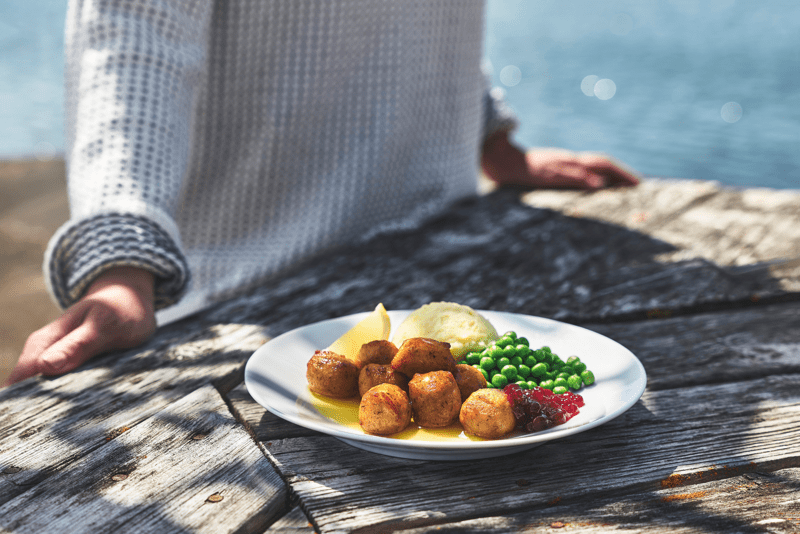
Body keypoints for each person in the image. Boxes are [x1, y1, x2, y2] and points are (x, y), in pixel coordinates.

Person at [4, 0, 638, 387]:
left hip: (447, 244)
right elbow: (133, 31)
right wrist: (123, 261)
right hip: (249, 295)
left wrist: (490, 136)